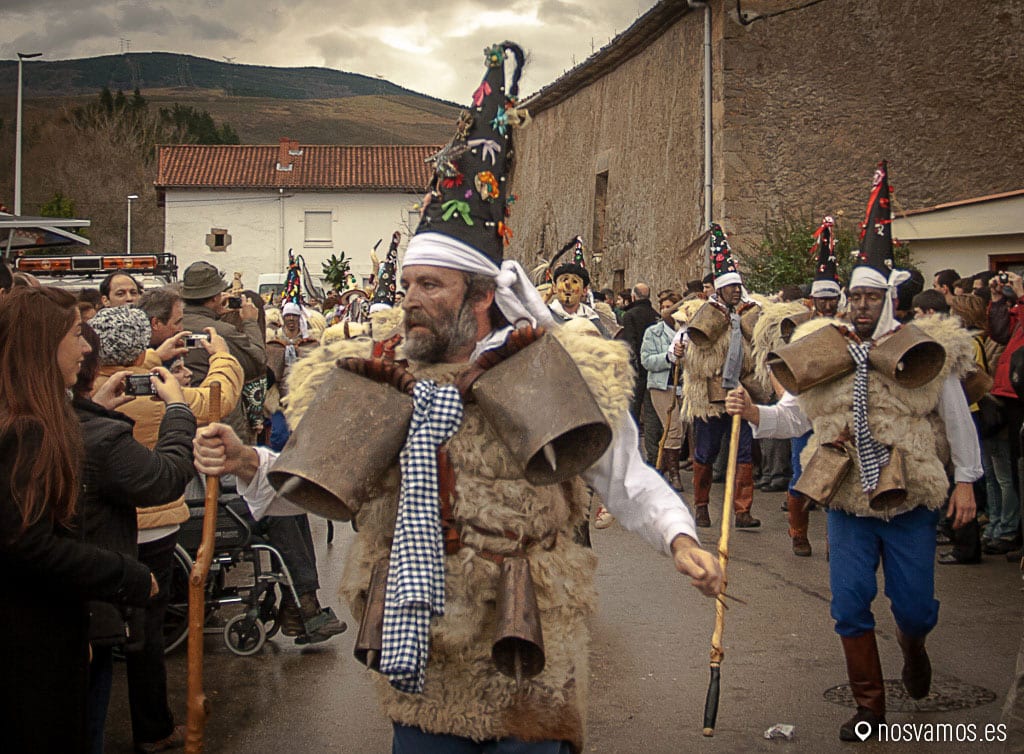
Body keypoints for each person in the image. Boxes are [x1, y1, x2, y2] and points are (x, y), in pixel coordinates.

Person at [256, 42, 721, 753]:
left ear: (479, 294)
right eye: (408, 285)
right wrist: (244, 462)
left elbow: (624, 475)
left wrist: (680, 538)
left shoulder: (550, 371)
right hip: (424, 643)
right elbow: (312, 478)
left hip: (526, 639)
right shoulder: (375, 376)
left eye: (429, 286)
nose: (409, 299)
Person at [726, 161, 981, 742]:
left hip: (910, 498)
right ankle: (870, 709)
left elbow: (956, 418)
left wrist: (965, 480)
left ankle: (914, 648)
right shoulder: (824, 351)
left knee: (914, 608)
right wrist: (754, 413)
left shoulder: (919, 352)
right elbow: (796, 416)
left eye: (871, 296)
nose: (862, 305)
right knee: (849, 604)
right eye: (855, 296)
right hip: (846, 498)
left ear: (886, 298)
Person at [0, 286, 157, 753]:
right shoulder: (26, 430)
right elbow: (27, 542)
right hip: (28, 648)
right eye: (76, 334)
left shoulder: (27, 418)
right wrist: (126, 576)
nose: (87, 347)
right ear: (42, 344)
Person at [72, 324, 196, 754]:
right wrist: (178, 406)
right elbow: (166, 476)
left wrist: (95, 406)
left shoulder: (71, 413)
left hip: (107, 547)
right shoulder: (101, 432)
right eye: (74, 336)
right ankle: (153, 727)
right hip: (144, 533)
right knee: (143, 636)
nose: (83, 346)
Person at [681, 223, 765, 529]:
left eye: (737, 287)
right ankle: (701, 506)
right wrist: (680, 350)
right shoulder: (704, 313)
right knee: (706, 451)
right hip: (710, 397)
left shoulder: (748, 313)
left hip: (740, 392)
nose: (735, 291)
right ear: (719, 287)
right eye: (730, 287)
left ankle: (742, 509)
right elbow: (686, 349)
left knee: (744, 451)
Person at [180, 261, 267, 443]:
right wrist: (250, 322)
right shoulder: (223, 332)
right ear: (214, 298)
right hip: (217, 425)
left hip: (178, 421)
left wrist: (215, 315)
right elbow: (257, 363)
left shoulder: (169, 324)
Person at [640, 291, 683, 489]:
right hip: (661, 385)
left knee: (679, 432)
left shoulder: (686, 332)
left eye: (671, 307)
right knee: (673, 428)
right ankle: (675, 475)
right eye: (664, 307)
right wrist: (668, 357)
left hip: (683, 386)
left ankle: (661, 467)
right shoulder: (653, 332)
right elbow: (646, 360)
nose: (667, 311)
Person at [619, 282, 659, 422]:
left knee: (634, 407)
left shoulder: (630, 315)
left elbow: (631, 341)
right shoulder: (655, 315)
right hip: (654, 366)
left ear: (633, 297)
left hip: (638, 367)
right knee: (651, 408)